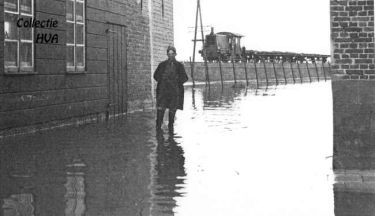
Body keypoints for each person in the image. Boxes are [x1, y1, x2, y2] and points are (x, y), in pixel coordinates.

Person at [153, 46, 188, 134]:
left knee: (172, 114)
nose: (170, 56)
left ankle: (171, 136)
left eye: (172, 54)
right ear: (167, 55)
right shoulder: (162, 65)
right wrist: (163, 83)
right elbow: (156, 76)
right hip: (163, 93)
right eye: (169, 54)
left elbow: (184, 78)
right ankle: (159, 134)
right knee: (160, 112)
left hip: (174, 93)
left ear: (175, 54)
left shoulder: (179, 66)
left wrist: (176, 82)